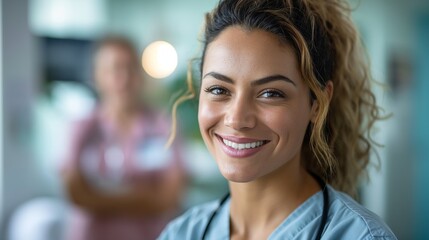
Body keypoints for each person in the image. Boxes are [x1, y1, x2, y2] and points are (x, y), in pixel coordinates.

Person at [159, 0, 397, 239]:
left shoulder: (361, 235)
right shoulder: (181, 233)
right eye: (219, 90)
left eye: (271, 93)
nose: (237, 119)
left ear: (317, 104)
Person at [60, 36, 187, 240]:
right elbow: (75, 193)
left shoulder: (164, 125)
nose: (124, 77)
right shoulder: (81, 128)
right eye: (114, 69)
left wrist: (99, 199)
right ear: (97, 75)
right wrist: (144, 198)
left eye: (130, 68)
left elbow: (170, 196)